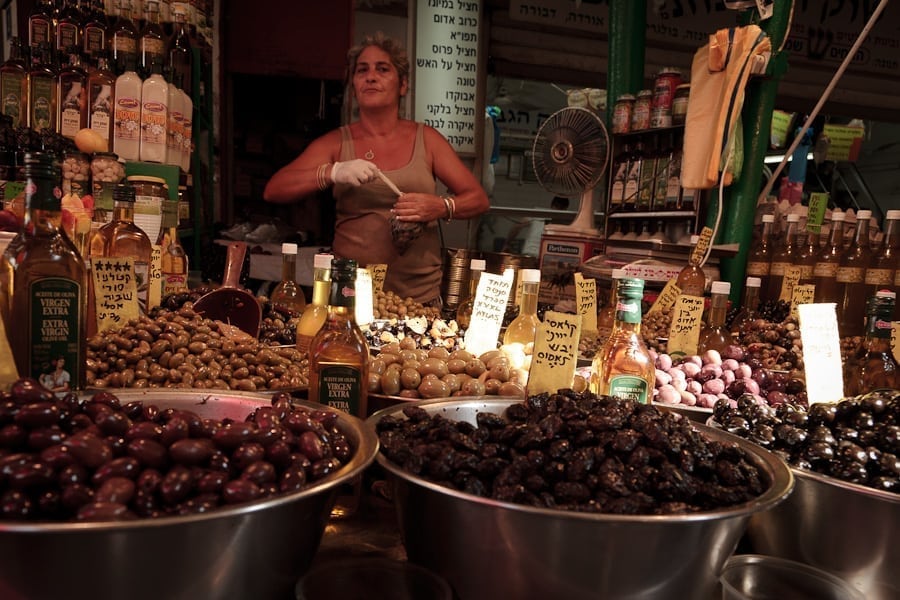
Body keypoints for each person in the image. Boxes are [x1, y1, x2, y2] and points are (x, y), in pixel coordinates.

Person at [263, 32, 490, 304]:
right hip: (350, 297)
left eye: (382, 69)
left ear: (403, 84)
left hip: (418, 299)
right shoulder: (336, 142)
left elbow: (477, 199)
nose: (371, 76)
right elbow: (274, 190)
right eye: (362, 70)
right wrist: (332, 172)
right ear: (354, 84)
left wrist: (441, 206)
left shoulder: (427, 139)